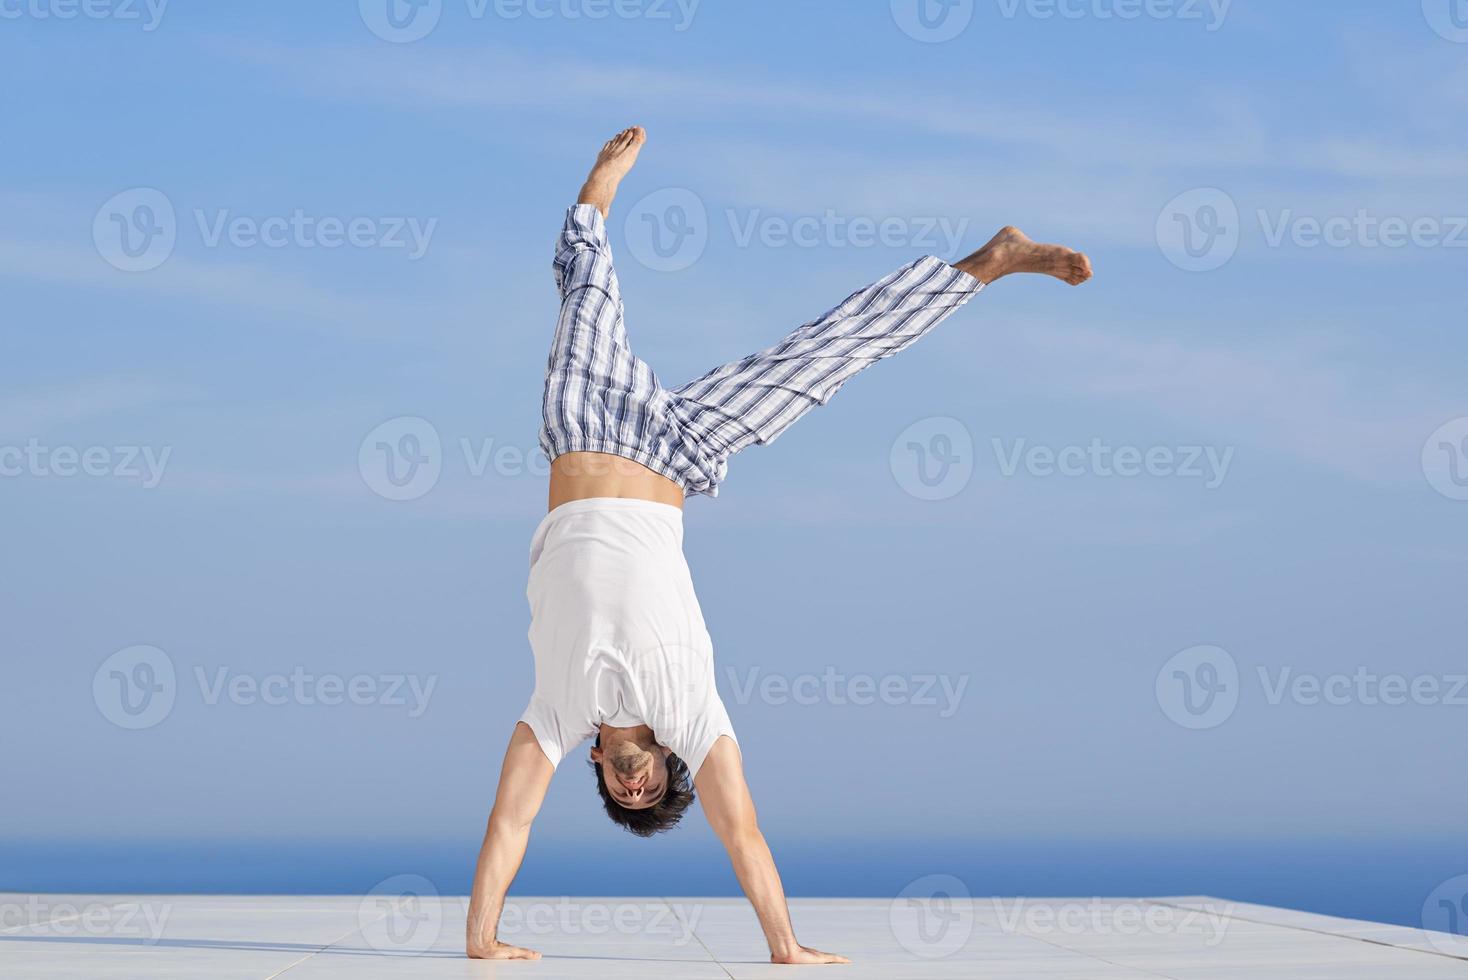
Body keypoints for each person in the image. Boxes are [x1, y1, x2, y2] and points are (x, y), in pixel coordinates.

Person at [465, 126, 1092, 964]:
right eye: (653, 789)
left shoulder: (556, 712)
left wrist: (480, 941)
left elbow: (510, 820)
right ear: (667, 763)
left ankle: (594, 202)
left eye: (629, 793)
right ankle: (987, 264)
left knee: (585, 294)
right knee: (823, 358)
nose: (638, 785)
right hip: (676, 449)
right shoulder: (694, 715)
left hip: (581, 426)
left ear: (603, 768)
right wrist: (785, 949)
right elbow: (745, 834)